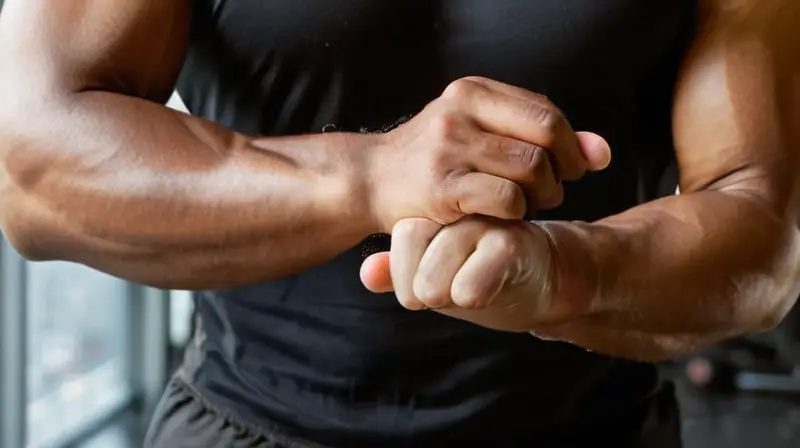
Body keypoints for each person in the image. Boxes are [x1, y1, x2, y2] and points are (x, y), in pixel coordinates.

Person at [0, 0, 798, 446]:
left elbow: (762, 220)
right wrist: (370, 175)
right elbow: (31, 169)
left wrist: (566, 274)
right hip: (249, 423)